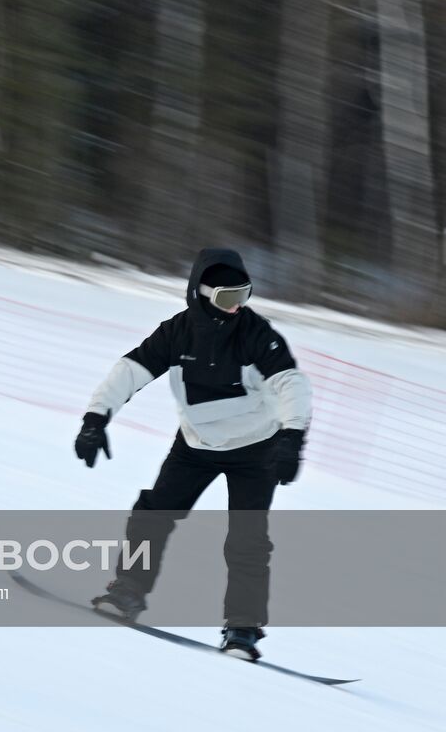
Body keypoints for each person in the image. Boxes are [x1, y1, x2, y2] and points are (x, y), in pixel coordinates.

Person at [74, 248, 312, 660]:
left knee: (247, 539)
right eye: (227, 297)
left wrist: (293, 437)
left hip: (258, 448)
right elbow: (130, 370)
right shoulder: (177, 332)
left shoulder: (257, 334)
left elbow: (292, 383)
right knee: (152, 514)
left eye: (244, 294)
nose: (237, 306)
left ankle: (243, 629)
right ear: (201, 295)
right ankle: (128, 592)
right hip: (196, 445)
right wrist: (95, 419)